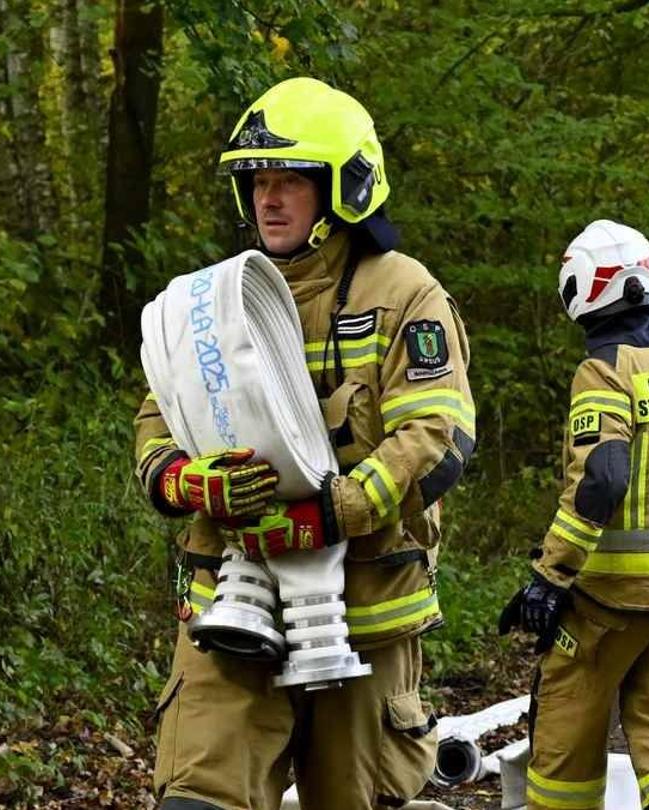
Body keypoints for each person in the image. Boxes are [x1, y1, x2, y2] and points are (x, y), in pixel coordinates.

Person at [134, 77, 474, 810]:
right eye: (258, 181)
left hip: (363, 617)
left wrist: (335, 512)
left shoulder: (404, 294)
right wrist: (186, 484)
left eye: (290, 180)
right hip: (229, 606)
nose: (269, 198)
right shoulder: (208, 298)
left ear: (345, 187)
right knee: (196, 799)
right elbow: (155, 422)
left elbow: (437, 436)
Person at [499, 220, 649, 810]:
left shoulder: (605, 371)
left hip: (613, 599)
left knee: (567, 727)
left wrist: (549, 576)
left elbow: (602, 478)